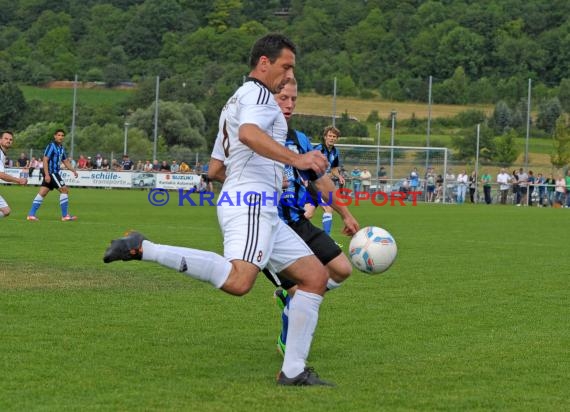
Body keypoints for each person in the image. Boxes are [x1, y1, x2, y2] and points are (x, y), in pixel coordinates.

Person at [103, 33, 334, 386]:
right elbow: (250, 135)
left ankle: (293, 371)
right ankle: (143, 248)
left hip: (253, 203)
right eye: (286, 67)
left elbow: (214, 168)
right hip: (252, 202)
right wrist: (295, 159)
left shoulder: (234, 101)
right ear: (264, 63)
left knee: (315, 277)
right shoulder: (258, 95)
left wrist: (250, 183)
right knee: (240, 280)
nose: (288, 75)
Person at [209, 78, 359, 357]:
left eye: (293, 100)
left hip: (298, 222)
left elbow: (321, 180)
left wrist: (345, 214)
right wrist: (258, 189)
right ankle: (287, 342)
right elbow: (215, 170)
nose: (289, 105)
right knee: (301, 291)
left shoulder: (298, 139)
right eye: (283, 99)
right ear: (267, 99)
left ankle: (290, 301)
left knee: (342, 270)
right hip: (268, 226)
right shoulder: (250, 134)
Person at [26, 129, 78, 222]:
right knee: (64, 190)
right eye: (59, 135)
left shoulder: (61, 148)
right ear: (55, 136)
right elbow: (45, 160)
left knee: (43, 193)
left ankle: (31, 215)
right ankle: (65, 216)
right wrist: (47, 174)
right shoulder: (51, 146)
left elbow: (65, 161)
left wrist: (73, 170)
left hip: (52, 173)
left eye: (62, 135)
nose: (61, 137)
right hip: (51, 173)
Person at [308, 126, 345, 237]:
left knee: (309, 213)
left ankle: (297, 233)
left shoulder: (335, 152)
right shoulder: (318, 149)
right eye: (329, 136)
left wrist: (339, 176)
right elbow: (309, 164)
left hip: (321, 184)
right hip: (313, 183)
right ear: (325, 137)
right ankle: (327, 239)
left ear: (337, 139)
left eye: (334, 136)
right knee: (328, 208)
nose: (332, 138)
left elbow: (333, 169)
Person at [0, 131, 28, 219]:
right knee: (6, 210)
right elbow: (1, 175)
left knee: (6, 211)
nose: (8, 141)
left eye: (10, 139)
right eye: (6, 138)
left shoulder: (3, 154)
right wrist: (18, 180)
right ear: (0, 140)